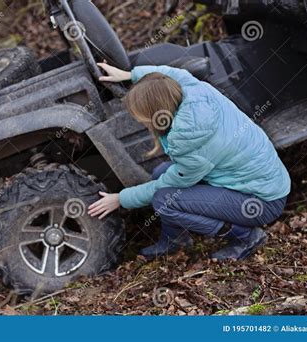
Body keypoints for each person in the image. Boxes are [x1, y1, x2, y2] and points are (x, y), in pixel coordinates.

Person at [87, 62, 290, 260]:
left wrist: (121, 199)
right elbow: (170, 72)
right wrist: (130, 74)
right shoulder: (191, 91)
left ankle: (246, 237)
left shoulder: (188, 140)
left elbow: (168, 186)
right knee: (160, 172)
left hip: (261, 200)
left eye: (140, 116)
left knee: (164, 200)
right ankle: (175, 241)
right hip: (260, 180)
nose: (138, 121)